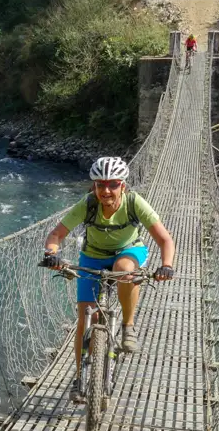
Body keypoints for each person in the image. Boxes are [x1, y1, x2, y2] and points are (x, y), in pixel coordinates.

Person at [42, 157, 176, 398]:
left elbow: (165, 239)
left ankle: (128, 326)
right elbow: (56, 234)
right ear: (93, 186)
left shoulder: (135, 203)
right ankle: (81, 376)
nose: (106, 191)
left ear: (122, 186)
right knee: (86, 319)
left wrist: (166, 265)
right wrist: (51, 255)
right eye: (100, 184)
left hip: (129, 251)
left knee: (123, 268)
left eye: (113, 184)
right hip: (92, 256)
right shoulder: (88, 204)